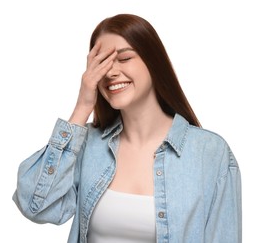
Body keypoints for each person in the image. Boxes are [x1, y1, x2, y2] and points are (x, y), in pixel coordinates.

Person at [13, 14, 242, 243]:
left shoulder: (210, 153)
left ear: (154, 62)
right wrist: (82, 107)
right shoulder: (87, 146)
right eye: (101, 63)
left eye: (124, 58)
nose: (111, 72)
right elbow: (35, 205)